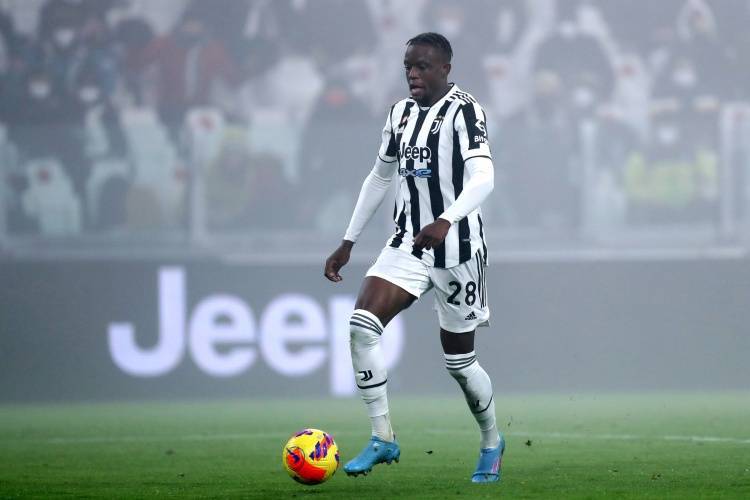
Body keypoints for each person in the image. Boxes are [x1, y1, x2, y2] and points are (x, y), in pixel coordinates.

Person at [324, 32, 503, 483]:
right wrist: (348, 240)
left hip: (458, 249)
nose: (413, 74)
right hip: (407, 242)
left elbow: (484, 177)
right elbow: (379, 178)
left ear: (445, 68)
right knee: (361, 326)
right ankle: (382, 436)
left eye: (422, 66)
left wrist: (446, 219)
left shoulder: (466, 111)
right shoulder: (399, 113)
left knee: (459, 364)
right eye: (408, 66)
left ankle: (491, 441)